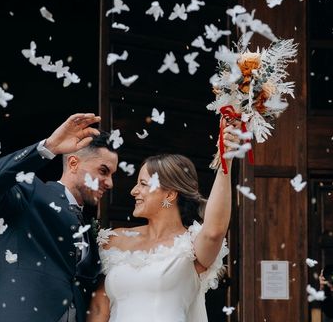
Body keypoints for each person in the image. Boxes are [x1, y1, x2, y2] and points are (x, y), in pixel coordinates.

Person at [88, 116, 239, 322]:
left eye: (142, 183)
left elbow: (214, 232)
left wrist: (226, 159)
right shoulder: (113, 240)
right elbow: (99, 309)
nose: (134, 191)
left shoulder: (192, 246)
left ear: (169, 194)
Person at [0, 113, 118, 322]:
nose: (110, 183)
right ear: (74, 163)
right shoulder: (31, 193)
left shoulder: (88, 227)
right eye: (103, 171)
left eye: (112, 174)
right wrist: (48, 147)